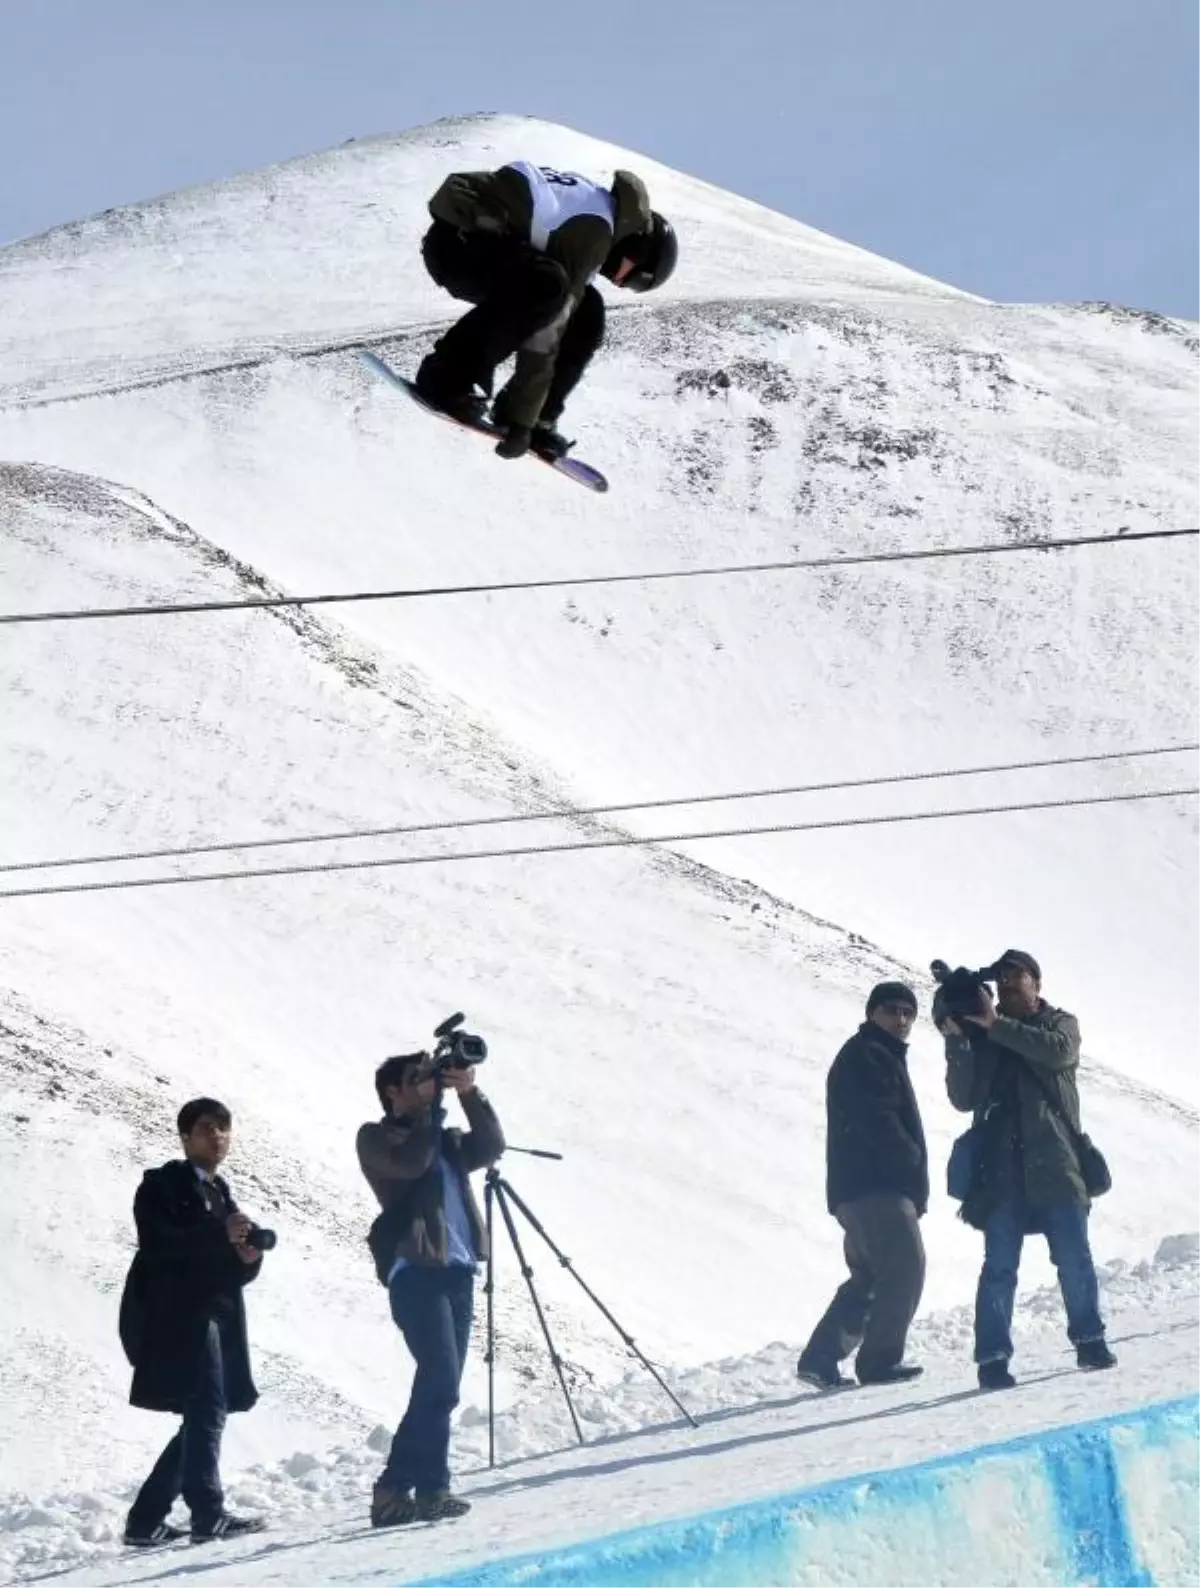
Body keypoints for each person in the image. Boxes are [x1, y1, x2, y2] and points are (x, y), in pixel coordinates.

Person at [414, 159, 678, 458]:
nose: (620, 283)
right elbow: (546, 336)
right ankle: (446, 376)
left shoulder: (600, 217)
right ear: (640, 249)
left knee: (586, 311)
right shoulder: (595, 230)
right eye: (634, 280)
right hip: (458, 243)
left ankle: (542, 416)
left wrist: (530, 421)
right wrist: (519, 424)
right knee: (549, 288)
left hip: (486, 246)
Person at [942, 949, 1117, 1391]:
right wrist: (957, 1039)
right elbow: (963, 1098)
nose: (1008, 985)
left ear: (1037, 982)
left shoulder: (1061, 1024)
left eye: (1016, 976)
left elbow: (1057, 1054)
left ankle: (1090, 1340)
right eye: (1001, 980)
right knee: (999, 1268)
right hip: (1002, 1173)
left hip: (1057, 1165)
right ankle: (993, 1359)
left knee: (1074, 1258)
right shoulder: (985, 1034)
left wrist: (995, 1026)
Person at [358, 1050, 505, 1527]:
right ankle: (432, 1488)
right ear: (392, 1092)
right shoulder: (379, 1137)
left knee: (439, 1386)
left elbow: (492, 1145)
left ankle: (395, 1489)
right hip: (417, 1271)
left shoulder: (444, 1137)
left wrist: (468, 1093)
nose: (428, 1084)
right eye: (417, 1079)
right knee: (440, 1377)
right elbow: (412, 1164)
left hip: (458, 1270)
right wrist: (433, 1112)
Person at [118, 1098, 267, 1547]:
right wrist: (218, 1234)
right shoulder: (160, 1187)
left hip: (216, 1316)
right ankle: (207, 1513)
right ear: (185, 1137)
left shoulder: (220, 1191)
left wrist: (248, 1258)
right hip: (180, 1319)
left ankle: (145, 1521)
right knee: (206, 1413)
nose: (217, 1136)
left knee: (205, 1415)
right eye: (206, 1128)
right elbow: (159, 1245)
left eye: (223, 1127)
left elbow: (225, 1267)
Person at [797, 982, 929, 1390]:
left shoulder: (874, 1053)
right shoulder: (869, 1054)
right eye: (891, 1010)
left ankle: (820, 1358)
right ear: (873, 1013)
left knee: (871, 1276)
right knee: (905, 1267)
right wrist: (908, 1162)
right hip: (878, 1187)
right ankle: (879, 1361)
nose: (901, 1019)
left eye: (908, 1012)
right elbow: (879, 1119)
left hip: (857, 1189)